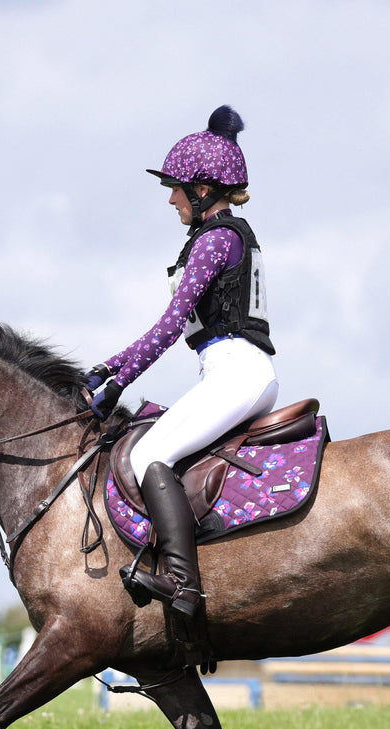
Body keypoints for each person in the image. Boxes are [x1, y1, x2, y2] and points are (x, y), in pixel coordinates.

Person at [87, 105, 277, 620]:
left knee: (150, 455)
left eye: (177, 188)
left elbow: (171, 324)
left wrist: (116, 377)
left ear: (205, 189)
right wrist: (109, 368)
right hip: (236, 370)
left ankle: (181, 583)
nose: (171, 198)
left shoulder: (217, 239)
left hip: (237, 372)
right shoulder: (218, 236)